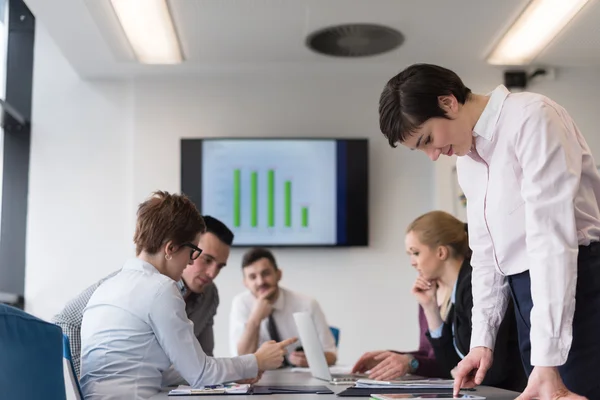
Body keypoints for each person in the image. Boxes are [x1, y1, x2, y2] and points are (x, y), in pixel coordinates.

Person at [378, 63, 600, 400]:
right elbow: (485, 257)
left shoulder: (531, 117)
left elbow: (551, 240)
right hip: (526, 297)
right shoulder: (468, 162)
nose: (433, 155)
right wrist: (481, 342)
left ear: (448, 102)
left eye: (428, 140)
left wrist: (548, 360)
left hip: (578, 284)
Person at [79, 191, 295, 400]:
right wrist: (256, 360)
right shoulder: (160, 289)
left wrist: (237, 370)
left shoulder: (107, 286)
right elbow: (201, 373)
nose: (191, 261)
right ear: (171, 248)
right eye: (192, 251)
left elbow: (166, 371)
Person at [353, 212, 525, 392]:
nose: (412, 262)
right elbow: (449, 364)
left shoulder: (473, 287)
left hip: (507, 391)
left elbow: (483, 369)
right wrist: (430, 308)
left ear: (441, 252)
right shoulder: (455, 289)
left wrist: (416, 362)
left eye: (416, 253)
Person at [52, 215, 234, 377]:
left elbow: (204, 358)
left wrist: (229, 375)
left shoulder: (210, 295)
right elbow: (66, 321)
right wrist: (80, 385)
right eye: (206, 259)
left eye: (220, 266)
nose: (212, 273)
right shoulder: (127, 283)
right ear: (185, 248)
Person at [229, 247, 337, 367]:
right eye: (252, 277)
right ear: (245, 283)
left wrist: (311, 360)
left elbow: (331, 354)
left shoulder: (307, 304)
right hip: (261, 380)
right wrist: (255, 319)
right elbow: (241, 361)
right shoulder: (241, 303)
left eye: (266, 273)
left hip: (300, 380)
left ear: (278, 274)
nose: (260, 282)